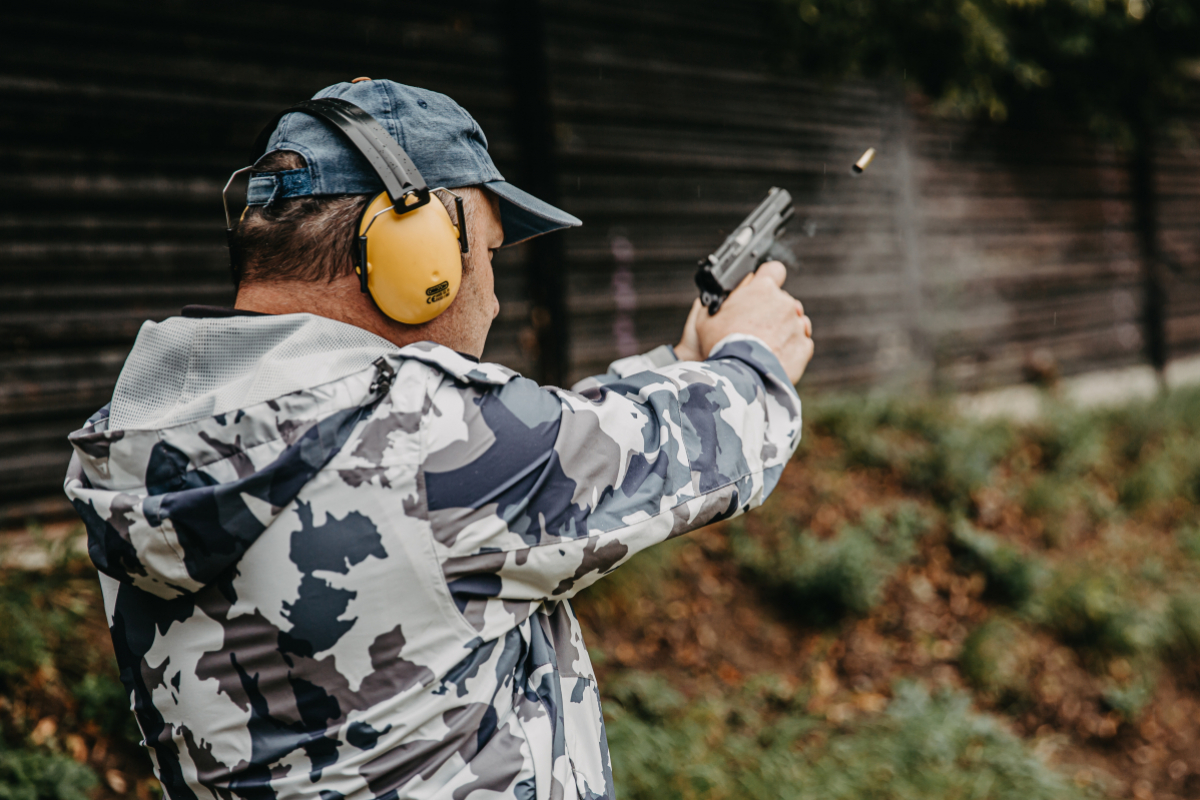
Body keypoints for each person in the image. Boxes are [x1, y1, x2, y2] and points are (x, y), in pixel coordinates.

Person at [64, 79, 813, 800]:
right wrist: (753, 356)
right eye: (485, 255)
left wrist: (679, 367)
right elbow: (717, 439)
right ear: (411, 257)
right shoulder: (422, 438)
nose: (489, 293)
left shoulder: (155, 448)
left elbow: (506, 474)